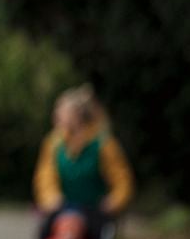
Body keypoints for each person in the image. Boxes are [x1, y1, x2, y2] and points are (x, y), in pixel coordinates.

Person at [33, 84, 134, 218]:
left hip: (95, 210)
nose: (56, 115)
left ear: (78, 115)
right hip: (64, 210)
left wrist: (114, 201)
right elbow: (45, 176)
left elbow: (121, 178)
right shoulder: (54, 143)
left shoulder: (103, 143)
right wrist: (50, 198)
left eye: (62, 111)